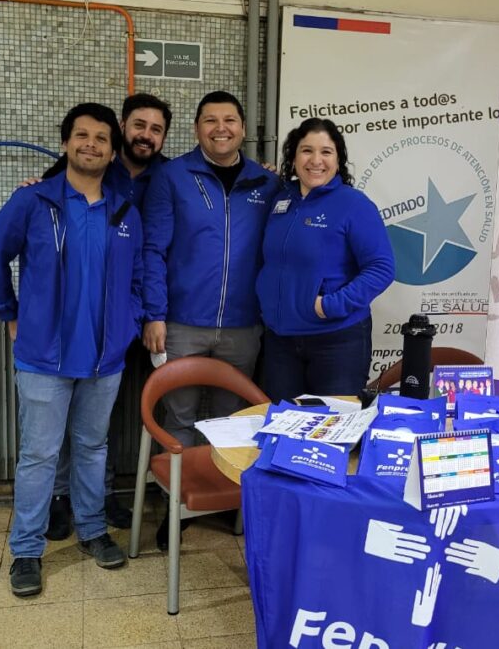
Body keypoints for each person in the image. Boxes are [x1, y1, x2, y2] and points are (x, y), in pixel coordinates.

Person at [0, 103, 143, 597]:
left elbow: (136, 276)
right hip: (44, 357)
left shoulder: (124, 210)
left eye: (101, 138)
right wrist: (9, 312)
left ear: (113, 151)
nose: (91, 144)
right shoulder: (34, 201)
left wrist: (129, 323)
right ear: (66, 142)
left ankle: (92, 530)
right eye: (81, 135)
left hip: (103, 358)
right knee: (39, 455)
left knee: (93, 448)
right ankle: (26, 551)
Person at [140, 90, 280, 549]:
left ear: (243, 127)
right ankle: (176, 509)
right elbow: (153, 250)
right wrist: (154, 314)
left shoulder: (266, 183)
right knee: (178, 418)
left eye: (230, 120)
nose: (221, 128)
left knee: (233, 421)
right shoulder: (172, 177)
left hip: (244, 325)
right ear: (197, 128)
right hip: (181, 323)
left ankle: (226, 502)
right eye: (210, 120)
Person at [35, 93, 173, 541]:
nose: (145, 135)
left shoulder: (171, 176)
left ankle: (99, 493)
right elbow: (44, 204)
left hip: (136, 316)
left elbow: (150, 254)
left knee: (111, 413)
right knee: (70, 410)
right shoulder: (89, 165)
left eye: (155, 129)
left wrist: (144, 314)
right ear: (122, 132)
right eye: (138, 125)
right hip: (79, 321)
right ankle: (59, 497)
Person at [255, 118, 395, 402]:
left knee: (332, 432)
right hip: (280, 342)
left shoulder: (354, 204)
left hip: (336, 341)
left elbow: (381, 268)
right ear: (293, 157)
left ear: (338, 159)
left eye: (326, 152)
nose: (315, 160)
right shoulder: (281, 202)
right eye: (306, 150)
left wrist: (330, 305)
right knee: (283, 429)